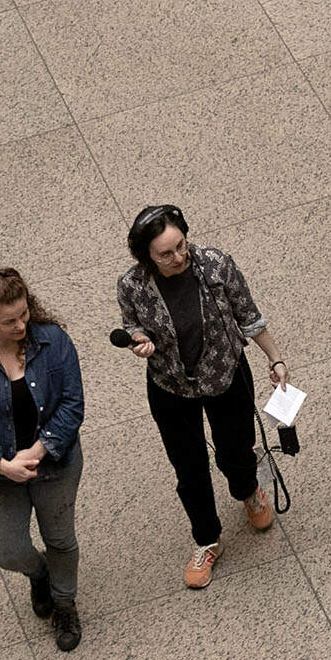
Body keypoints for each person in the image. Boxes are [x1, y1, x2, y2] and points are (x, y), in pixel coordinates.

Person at [115, 205, 289, 591]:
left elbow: (249, 316)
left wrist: (275, 359)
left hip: (225, 375)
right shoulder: (131, 286)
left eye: (181, 245)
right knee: (188, 467)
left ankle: (247, 490)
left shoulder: (216, 265)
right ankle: (207, 539)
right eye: (165, 254)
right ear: (146, 257)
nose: (178, 257)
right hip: (170, 388)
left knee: (235, 449)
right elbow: (132, 326)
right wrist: (139, 342)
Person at [0, 268, 86, 652]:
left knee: (61, 539)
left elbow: (73, 406)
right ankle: (39, 574)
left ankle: (64, 602)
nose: (21, 324)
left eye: (24, 314)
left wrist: (38, 451)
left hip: (55, 463)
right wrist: (3, 464)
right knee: (8, 551)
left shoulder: (53, 341)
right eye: (9, 320)